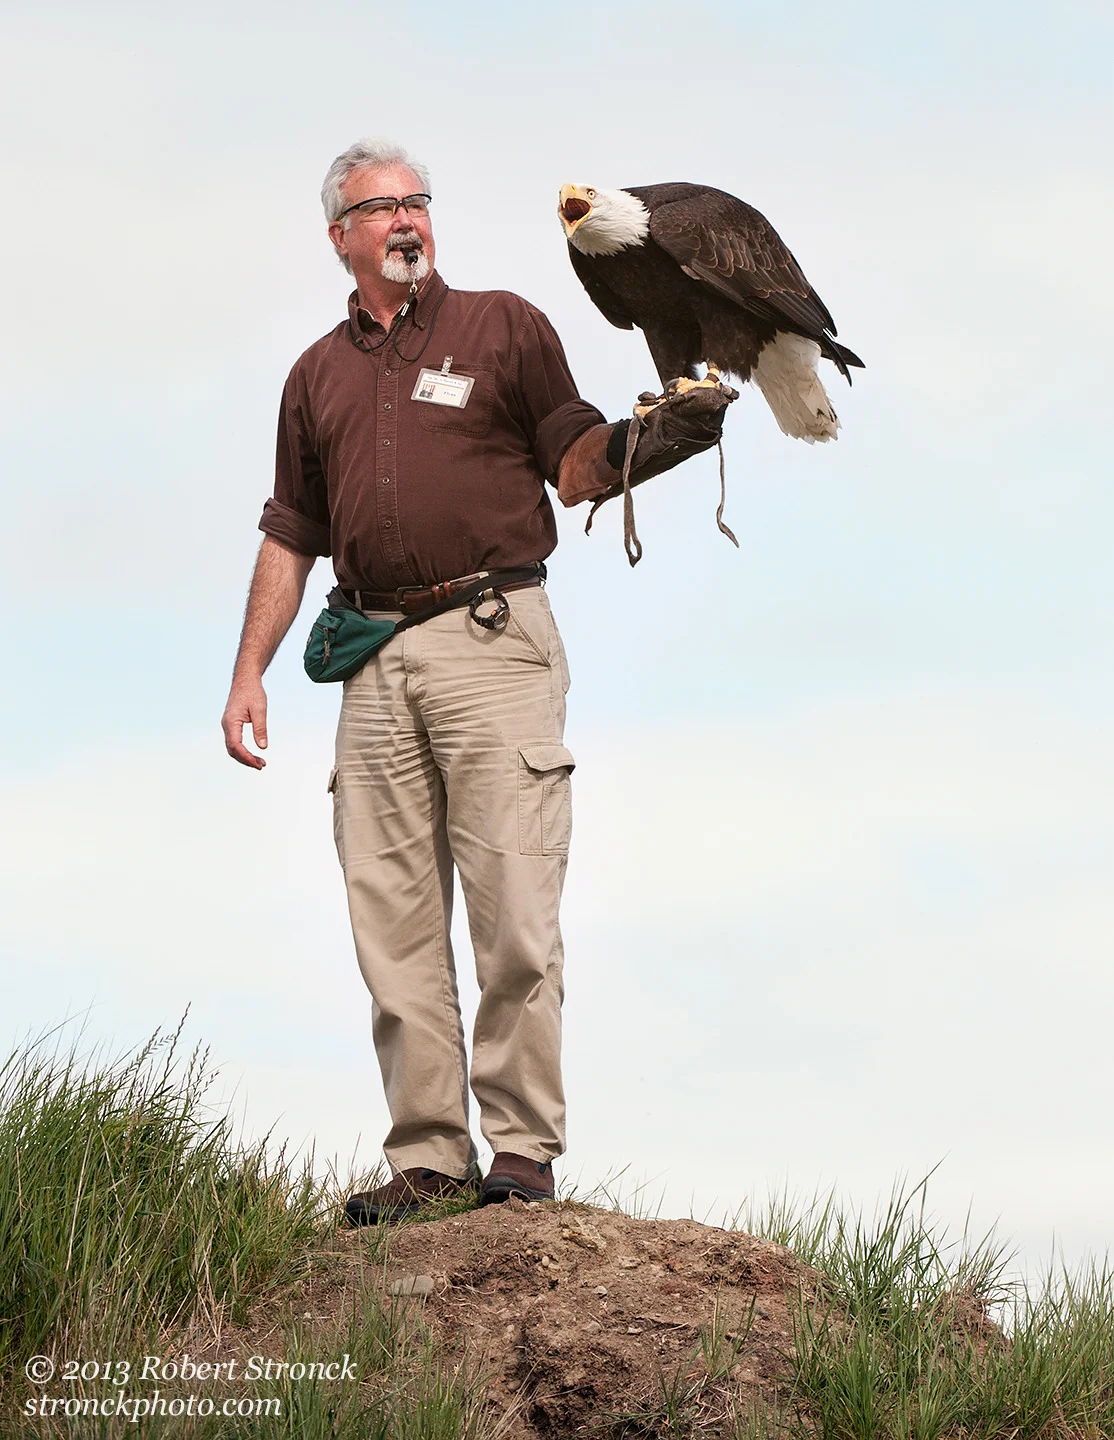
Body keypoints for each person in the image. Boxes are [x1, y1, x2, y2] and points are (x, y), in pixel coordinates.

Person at [221, 139, 726, 1224]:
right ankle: (429, 1161)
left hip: (493, 638)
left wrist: (644, 443)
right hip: (371, 662)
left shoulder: (503, 326)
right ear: (340, 238)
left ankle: (521, 1159)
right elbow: (290, 531)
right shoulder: (314, 374)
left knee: (513, 916)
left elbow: (573, 459)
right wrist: (247, 674)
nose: (405, 220)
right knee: (391, 924)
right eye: (381, 208)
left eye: (418, 202)